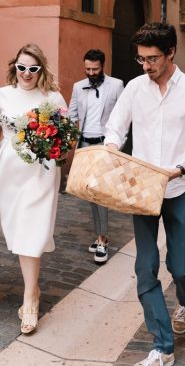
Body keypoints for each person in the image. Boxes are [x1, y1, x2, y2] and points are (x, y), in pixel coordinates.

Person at [105, 23, 185, 366]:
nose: (146, 65)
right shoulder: (133, 88)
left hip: (181, 187)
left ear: (171, 53)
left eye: (152, 58)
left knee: (181, 266)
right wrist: (113, 151)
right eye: (141, 59)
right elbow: (115, 129)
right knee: (146, 268)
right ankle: (162, 346)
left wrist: (183, 168)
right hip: (141, 189)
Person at [0, 43, 67, 335]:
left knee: (31, 232)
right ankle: (31, 290)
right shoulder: (2, 95)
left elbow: (64, 136)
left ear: (41, 70)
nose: (26, 73)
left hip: (40, 173)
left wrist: (54, 152)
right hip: (8, 171)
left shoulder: (53, 97)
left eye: (33, 69)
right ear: (15, 67)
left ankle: (30, 297)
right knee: (14, 229)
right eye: (21, 67)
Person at [68, 49, 124, 264]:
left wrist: (116, 145)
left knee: (100, 193)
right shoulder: (77, 87)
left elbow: (124, 116)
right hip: (84, 145)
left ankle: (102, 240)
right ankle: (100, 233)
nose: (91, 72)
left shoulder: (116, 85)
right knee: (90, 193)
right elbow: (72, 115)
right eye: (88, 69)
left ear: (103, 66)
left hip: (104, 144)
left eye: (95, 69)